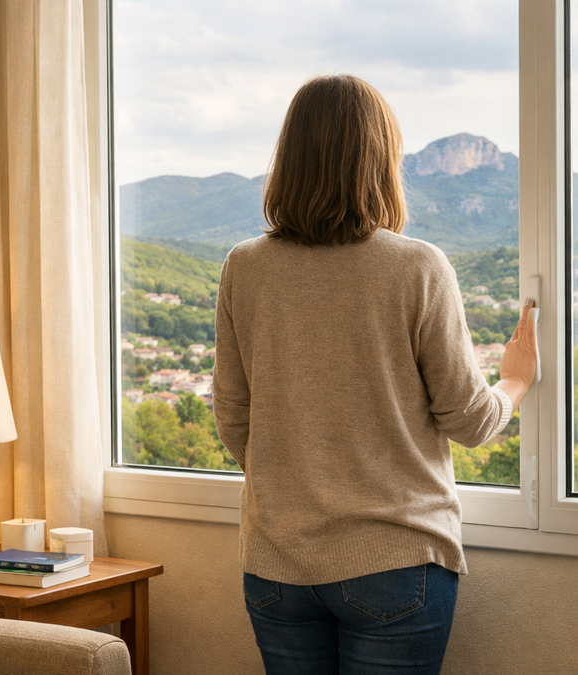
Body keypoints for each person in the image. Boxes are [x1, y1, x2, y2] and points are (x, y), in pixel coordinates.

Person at [212, 74, 538, 675]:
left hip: (276, 566)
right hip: (396, 562)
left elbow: (234, 420)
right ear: (382, 158)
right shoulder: (417, 266)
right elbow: (470, 422)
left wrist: (300, 481)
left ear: (290, 157)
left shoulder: (245, 266)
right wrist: (515, 380)